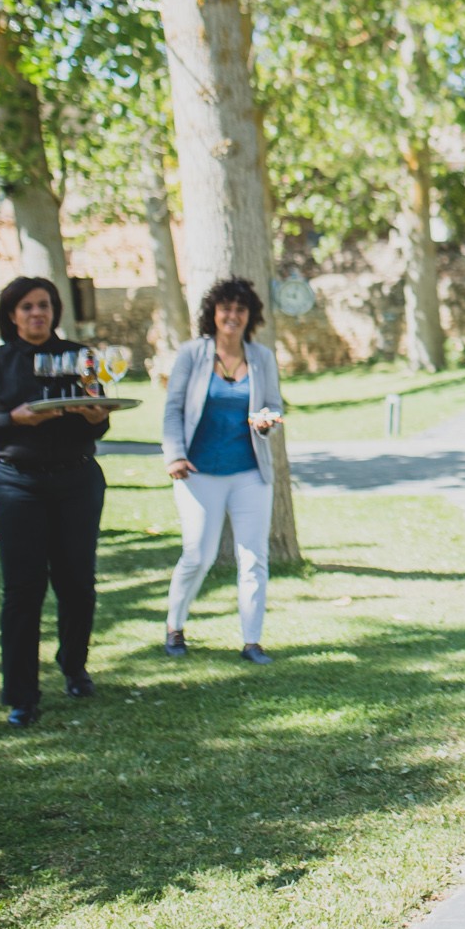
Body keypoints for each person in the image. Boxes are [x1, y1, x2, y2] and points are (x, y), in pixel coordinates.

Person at [0, 277, 113, 729]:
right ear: (12, 314)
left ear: (54, 310)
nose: (36, 313)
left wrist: (95, 414)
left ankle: (74, 666)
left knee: (77, 582)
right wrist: (12, 418)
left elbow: (98, 426)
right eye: (26, 307)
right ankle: (22, 695)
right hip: (15, 484)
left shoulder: (79, 357)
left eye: (43, 305)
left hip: (76, 481)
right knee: (23, 591)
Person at [161, 276, 285, 665]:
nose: (232, 316)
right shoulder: (192, 355)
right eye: (225, 309)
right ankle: (175, 627)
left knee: (254, 557)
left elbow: (275, 405)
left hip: (249, 472)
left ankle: (252, 641)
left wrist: (267, 421)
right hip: (198, 472)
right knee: (198, 555)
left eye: (240, 310)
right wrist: (175, 455)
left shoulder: (261, 358)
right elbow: (173, 410)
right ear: (213, 314)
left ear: (251, 317)